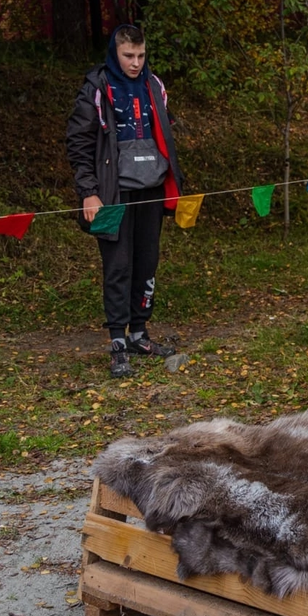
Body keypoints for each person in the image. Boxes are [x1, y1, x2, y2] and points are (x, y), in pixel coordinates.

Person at [66, 23, 185, 376]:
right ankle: (118, 342)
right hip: (110, 192)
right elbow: (78, 142)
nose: (135, 62)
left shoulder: (154, 85)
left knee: (146, 262)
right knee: (118, 266)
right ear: (115, 53)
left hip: (151, 187)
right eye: (128, 56)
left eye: (141, 55)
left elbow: (165, 133)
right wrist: (89, 192)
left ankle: (139, 334)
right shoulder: (97, 87)